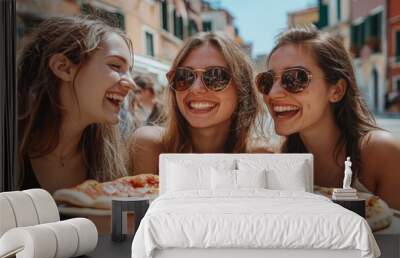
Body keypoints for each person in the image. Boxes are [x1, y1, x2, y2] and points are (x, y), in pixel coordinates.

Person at [255, 26, 400, 209]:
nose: (273, 93)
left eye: (295, 78)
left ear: (336, 90)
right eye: (267, 81)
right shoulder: (279, 160)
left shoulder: (381, 152)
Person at [18, 16, 136, 193]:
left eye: (129, 72)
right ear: (63, 67)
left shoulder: (112, 158)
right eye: (115, 66)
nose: (132, 84)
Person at [130, 32, 268, 175]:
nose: (195, 88)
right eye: (184, 76)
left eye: (216, 76)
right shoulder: (151, 145)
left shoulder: (261, 157)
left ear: (241, 87)